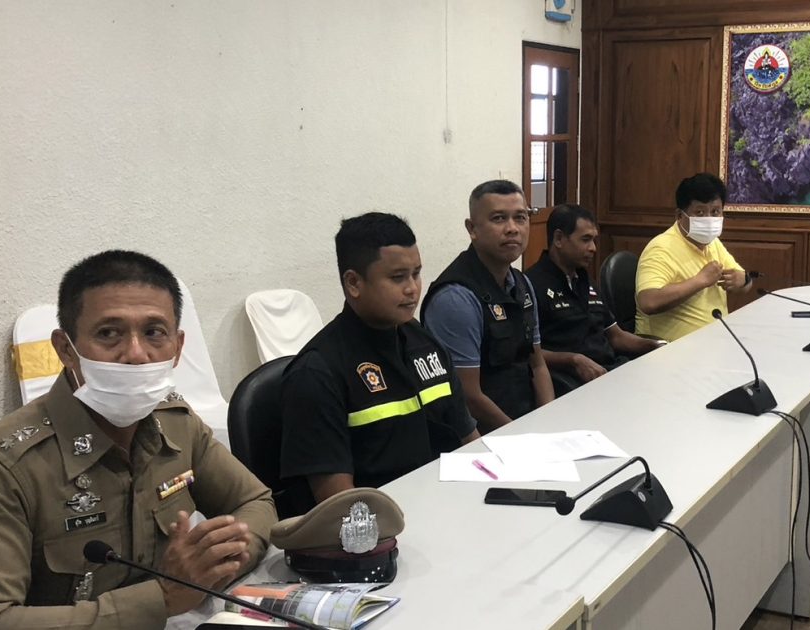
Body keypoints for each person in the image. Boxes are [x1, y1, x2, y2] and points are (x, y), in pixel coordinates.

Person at [0, 250, 277, 629]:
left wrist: (217, 563)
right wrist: (163, 597)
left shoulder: (177, 423)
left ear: (178, 347)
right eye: (109, 333)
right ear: (66, 349)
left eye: (154, 332)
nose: (136, 354)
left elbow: (255, 502)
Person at [280, 212, 479, 509]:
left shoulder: (425, 342)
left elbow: (469, 441)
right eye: (397, 277)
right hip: (383, 524)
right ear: (354, 283)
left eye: (416, 273)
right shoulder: (318, 372)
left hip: (448, 504)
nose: (412, 288)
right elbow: (341, 507)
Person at [422, 180, 554, 432]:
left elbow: (537, 364)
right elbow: (468, 396)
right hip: (480, 436)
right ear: (472, 228)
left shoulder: (522, 283)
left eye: (520, 218)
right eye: (498, 219)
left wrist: (548, 421)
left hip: (524, 423)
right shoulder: (456, 298)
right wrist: (523, 436)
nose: (512, 229)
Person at [526, 203, 662, 385]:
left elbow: (616, 336)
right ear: (559, 239)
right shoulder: (532, 285)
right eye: (585, 240)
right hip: (572, 380)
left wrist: (655, 346)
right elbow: (525, 353)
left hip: (611, 370)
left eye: (594, 240)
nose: (593, 248)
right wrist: (572, 359)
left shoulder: (585, 280)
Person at [635, 173, 752, 341]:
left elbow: (744, 283)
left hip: (715, 342)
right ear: (679, 216)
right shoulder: (660, 248)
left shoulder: (712, 243)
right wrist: (700, 281)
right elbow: (649, 302)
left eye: (715, 212)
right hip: (671, 349)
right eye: (700, 212)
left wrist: (743, 280)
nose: (709, 219)